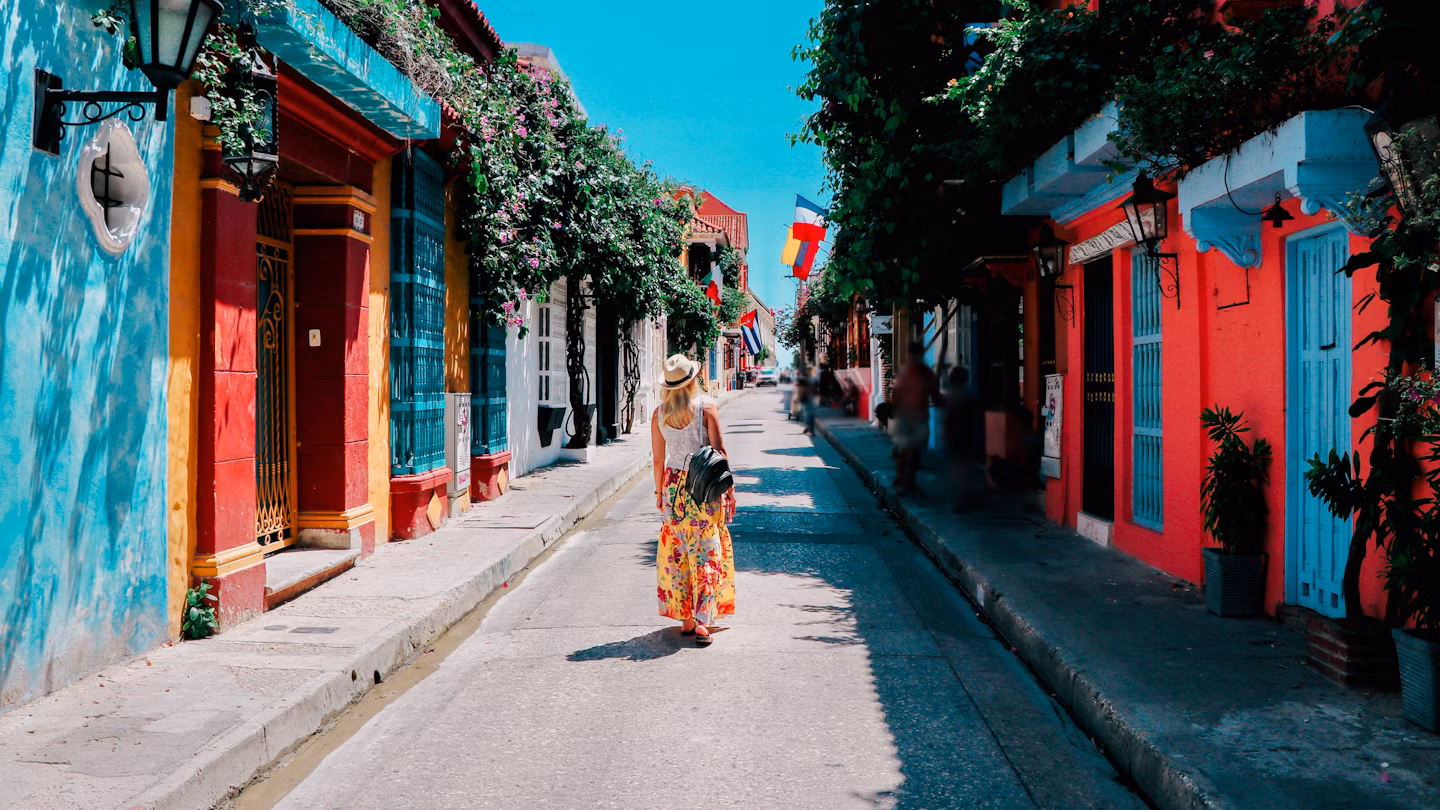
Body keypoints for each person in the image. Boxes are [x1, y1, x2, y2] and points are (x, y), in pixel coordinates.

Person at [650, 354, 737, 646]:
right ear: (694, 379)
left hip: (674, 488)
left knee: (678, 553)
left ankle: (686, 619)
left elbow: (658, 459)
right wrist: (730, 492)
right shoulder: (707, 408)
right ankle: (702, 621)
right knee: (706, 552)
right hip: (704, 488)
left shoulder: (659, 413)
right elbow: (719, 451)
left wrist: (660, 495)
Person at [890, 341, 941, 495]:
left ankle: (908, 480)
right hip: (908, 416)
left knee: (915, 450)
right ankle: (902, 479)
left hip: (917, 416)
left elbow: (935, 395)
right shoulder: (907, 372)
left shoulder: (923, 373)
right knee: (906, 449)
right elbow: (896, 395)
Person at [942, 366, 983, 511]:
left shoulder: (950, 396)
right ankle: (962, 498)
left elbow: (946, 419)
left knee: (955, 469)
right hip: (965, 436)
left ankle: (958, 499)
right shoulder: (967, 396)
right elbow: (975, 417)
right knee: (964, 469)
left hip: (953, 437)